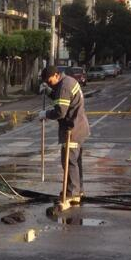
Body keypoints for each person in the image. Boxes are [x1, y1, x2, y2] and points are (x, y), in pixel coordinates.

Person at [41, 64, 90, 210]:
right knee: (76, 161)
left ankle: (72, 193)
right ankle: (78, 190)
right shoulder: (67, 81)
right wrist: (49, 92)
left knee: (69, 162)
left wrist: (45, 114)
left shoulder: (64, 86)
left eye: (49, 81)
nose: (50, 84)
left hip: (72, 130)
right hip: (78, 127)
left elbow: (60, 112)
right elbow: (61, 98)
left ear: (56, 75)